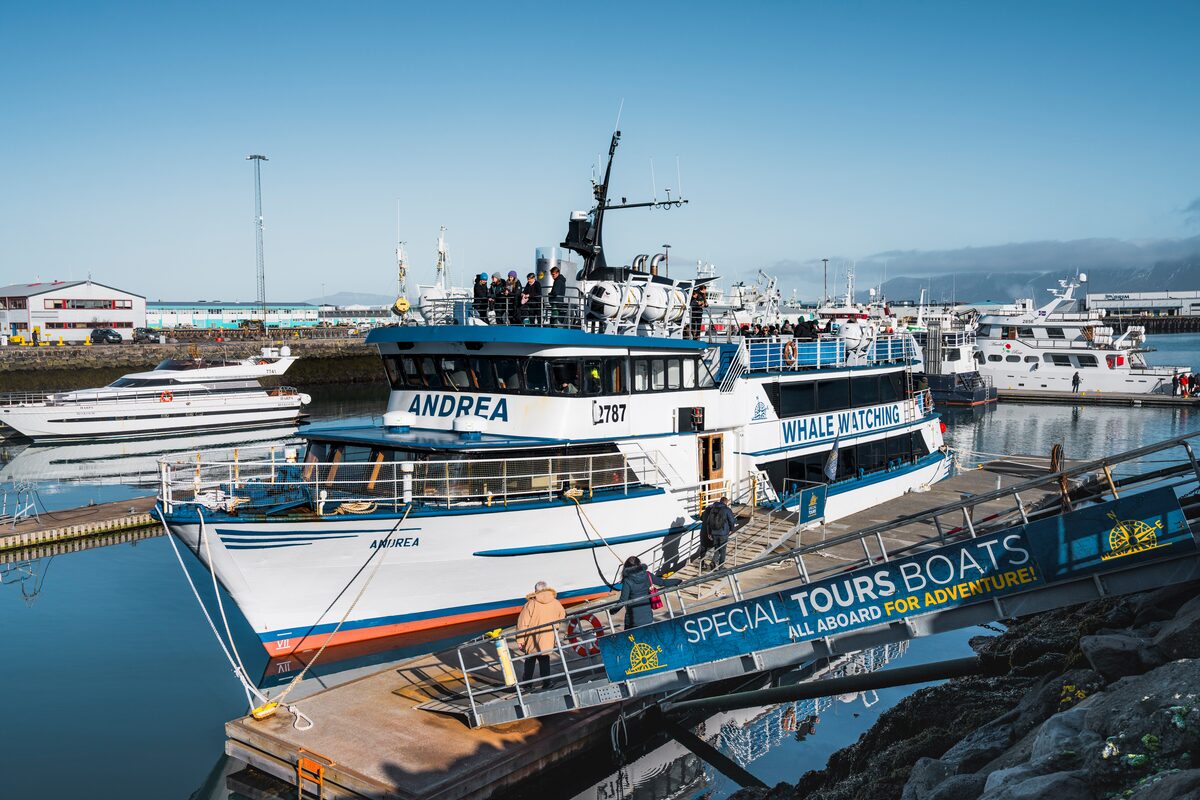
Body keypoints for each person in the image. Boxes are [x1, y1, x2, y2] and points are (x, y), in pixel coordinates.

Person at [515, 581, 566, 686]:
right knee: (544, 660)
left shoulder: (531, 604)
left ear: (535, 591)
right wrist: (555, 627)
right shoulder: (555, 602)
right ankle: (547, 683)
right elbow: (562, 616)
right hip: (548, 636)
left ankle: (527, 684)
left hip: (532, 638)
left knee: (530, 661)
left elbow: (522, 623)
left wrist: (520, 640)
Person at [618, 556, 681, 629]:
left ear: (626, 568)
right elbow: (662, 582)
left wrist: (612, 611)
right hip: (647, 617)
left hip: (632, 619)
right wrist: (678, 581)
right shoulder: (647, 575)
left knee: (631, 636)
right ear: (639, 564)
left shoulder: (627, 580)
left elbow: (623, 600)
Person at [699, 495, 738, 570]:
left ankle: (713, 562)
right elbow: (732, 521)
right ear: (726, 503)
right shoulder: (727, 509)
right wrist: (731, 529)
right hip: (723, 533)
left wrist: (709, 532)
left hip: (714, 533)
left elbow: (708, 522)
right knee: (722, 550)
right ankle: (721, 567)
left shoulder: (712, 509)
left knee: (717, 548)